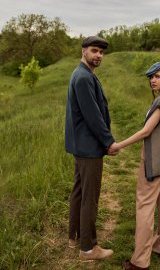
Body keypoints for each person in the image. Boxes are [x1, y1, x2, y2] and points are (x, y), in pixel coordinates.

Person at [109, 61, 160, 270]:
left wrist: (118, 145)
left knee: (144, 209)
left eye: (157, 76)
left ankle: (139, 262)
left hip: (154, 164)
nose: (152, 80)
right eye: (150, 77)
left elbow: (146, 131)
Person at [65, 35, 116, 262]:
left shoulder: (82, 74)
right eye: (94, 50)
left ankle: (74, 236)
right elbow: (93, 116)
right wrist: (108, 141)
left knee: (79, 192)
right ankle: (88, 248)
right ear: (83, 50)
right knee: (89, 197)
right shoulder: (83, 78)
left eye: (101, 52)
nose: (98, 55)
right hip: (89, 147)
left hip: (81, 146)